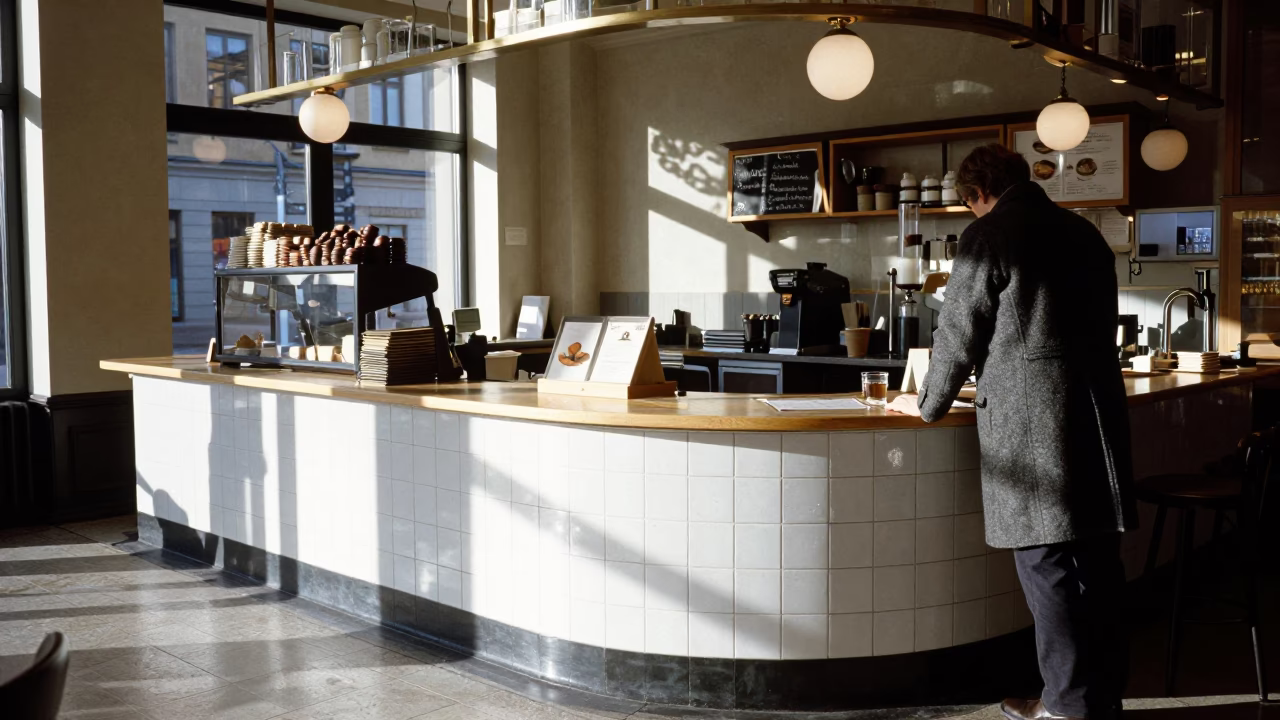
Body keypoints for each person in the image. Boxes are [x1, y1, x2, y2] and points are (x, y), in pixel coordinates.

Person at [887, 144, 1136, 720]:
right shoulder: (1083, 232)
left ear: (977, 194)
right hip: (1097, 411)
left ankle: (1067, 705)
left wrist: (926, 403)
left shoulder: (989, 234)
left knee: (1047, 564)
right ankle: (1100, 697)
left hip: (1034, 421)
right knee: (1099, 563)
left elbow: (958, 331)